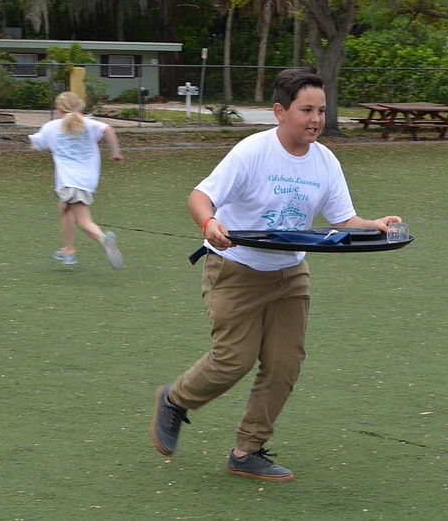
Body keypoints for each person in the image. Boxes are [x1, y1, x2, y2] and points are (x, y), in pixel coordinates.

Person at [150, 67, 402, 482]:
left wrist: (374, 224)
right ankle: (175, 399)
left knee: (285, 364)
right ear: (280, 112)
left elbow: (343, 219)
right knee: (234, 360)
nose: (316, 119)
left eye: (321, 110)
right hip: (236, 268)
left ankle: (247, 451)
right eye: (307, 110)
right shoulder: (253, 152)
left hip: (290, 271)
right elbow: (201, 196)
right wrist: (209, 223)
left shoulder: (325, 161)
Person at [29, 91, 124, 269]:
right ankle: (69, 251)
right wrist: (115, 153)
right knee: (63, 208)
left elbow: (35, 145)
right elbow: (108, 130)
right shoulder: (88, 124)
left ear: (59, 108)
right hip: (87, 180)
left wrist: (38, 146)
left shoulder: (50, 127)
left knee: (83, 221)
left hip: (70, 181)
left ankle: (104, 240)